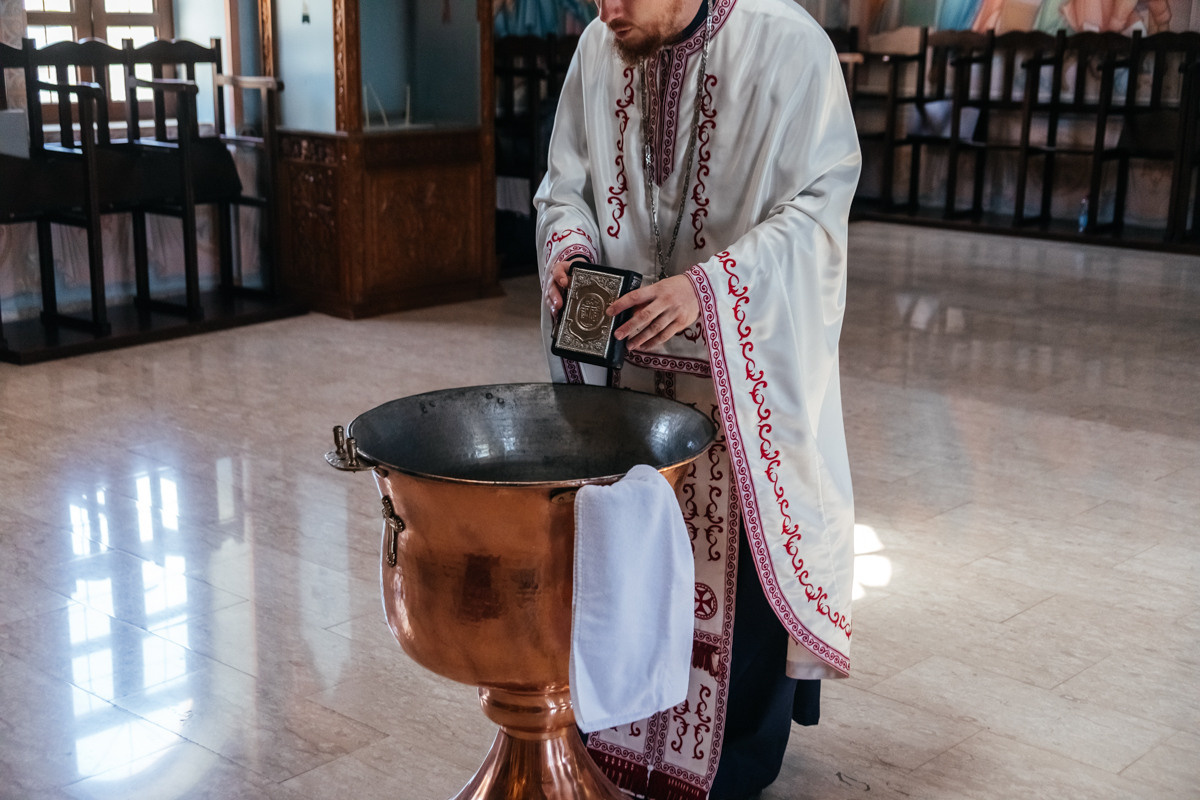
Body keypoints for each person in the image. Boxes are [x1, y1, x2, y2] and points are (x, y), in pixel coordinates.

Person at [535, 0, 859, 797]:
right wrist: (568, 250)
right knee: (626, 558)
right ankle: (619, 733)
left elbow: (818, 210)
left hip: (735, 382)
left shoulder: (789, 47)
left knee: (736, 579)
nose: (605, 10)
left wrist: (707, 290)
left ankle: (730, 763)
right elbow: (564, 186)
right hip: (625, 381)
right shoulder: (599, 47)